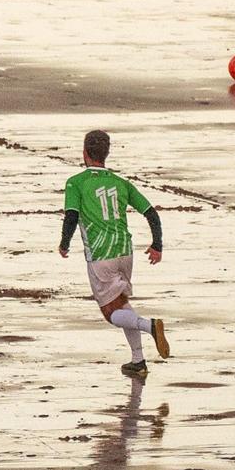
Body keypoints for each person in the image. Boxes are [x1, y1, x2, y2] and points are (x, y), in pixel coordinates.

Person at [60, 130, 169, 377]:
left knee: (111, 313)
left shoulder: (76, 182)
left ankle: (149, 326)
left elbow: (72, 217)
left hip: (101, 254)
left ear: (85, 153)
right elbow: (151, 213)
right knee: (122, 305)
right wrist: (157, 245)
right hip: (125, 251)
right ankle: (138, 361)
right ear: (106, 154)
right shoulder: (121, 183)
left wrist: (64, 243)